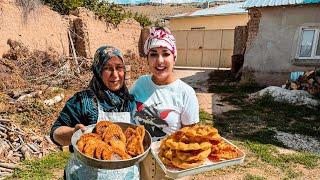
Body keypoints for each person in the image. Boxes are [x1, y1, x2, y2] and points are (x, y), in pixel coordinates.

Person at [50, 45, 138, 180]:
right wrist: (73, 133)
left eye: (119, 67)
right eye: (108, 68)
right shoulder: (83, 101)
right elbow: (55, 134)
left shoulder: (130, 102)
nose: (115, 74)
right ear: (98, 70)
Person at [130, 27, 200, 179]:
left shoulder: (185, 92)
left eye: (166, 54)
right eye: (153, 54)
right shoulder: (140, 84)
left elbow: (191, 138)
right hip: (142, 165)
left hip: (171, 167)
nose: (159, 60)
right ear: (147, 59)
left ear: (174, 57)